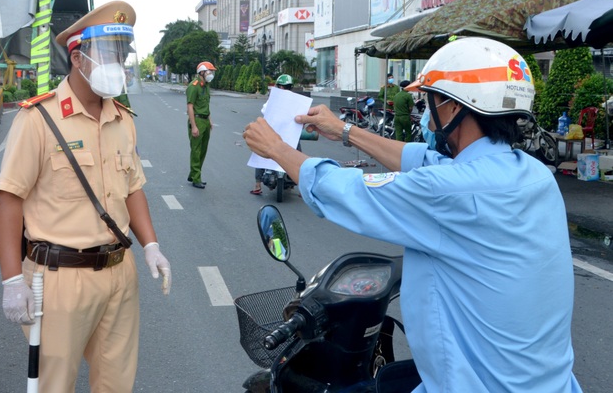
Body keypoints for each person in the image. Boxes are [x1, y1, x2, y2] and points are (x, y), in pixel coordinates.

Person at [243, 37, 582, 392]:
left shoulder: (452, 191)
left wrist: (277, 149)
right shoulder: (533, 175)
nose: (426, 112)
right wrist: (343, 130)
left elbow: (345, 190)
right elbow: (425, 161)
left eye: (429, 100)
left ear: (452, 108)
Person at [0, 0, 172, 393]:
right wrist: (11, 280)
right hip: (59, 279)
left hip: (119, 274)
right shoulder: (38, 119)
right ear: (78, 57)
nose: (119, 64)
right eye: (110, 53)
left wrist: (151, 245)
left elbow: (133, 188)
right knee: (54, 386)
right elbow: (9, 200)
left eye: (123, 54)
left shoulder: (122, 119)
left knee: (116, 383)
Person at [251, 74, 294, 195]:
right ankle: (257, 183)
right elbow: (264, 111)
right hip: (272, 130)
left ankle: (298, 181)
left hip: (287, 132)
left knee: (297, 151)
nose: (283, 89)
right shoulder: (272, 99)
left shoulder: (295, 100)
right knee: (260, 151)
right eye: (281, 87)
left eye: (286, 87)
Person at [187, 61, 217, 189]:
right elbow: (190, 107)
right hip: (197, 120)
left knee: (203, 150)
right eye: (209, 71)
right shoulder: (194, 86)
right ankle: (196, 178)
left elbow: (206, 104)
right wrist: (194, 126)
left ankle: (193, 174)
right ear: (202, 72)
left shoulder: (206, 85)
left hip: (205, 120)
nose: (211, 74)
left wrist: (210, 120)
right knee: (196, 150)